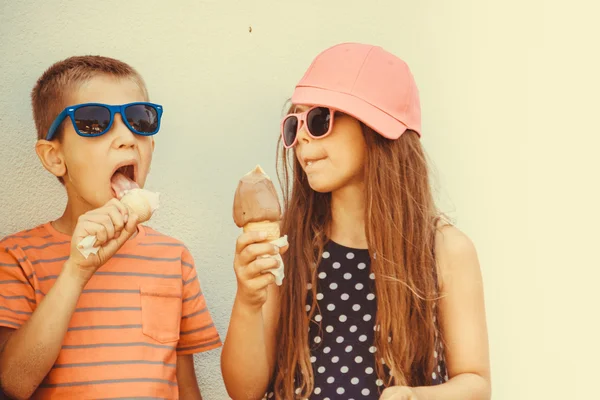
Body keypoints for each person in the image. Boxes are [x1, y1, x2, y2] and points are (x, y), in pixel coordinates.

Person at [221, 42, 491, 399]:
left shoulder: (445, 250)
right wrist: (248, 301)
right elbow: (244, 391)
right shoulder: (285, 245)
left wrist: (417, 396)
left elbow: (475, 382)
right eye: (293, 124)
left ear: (378, 129)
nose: (300, 137)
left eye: (319, 119)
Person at [0, 55, 221, 399]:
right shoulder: (17, 257)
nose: (127, 138)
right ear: (54, 157)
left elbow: (184, 385)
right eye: (94, 122)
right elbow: (13, 383)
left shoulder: (172, 258)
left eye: (139, 120)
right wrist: (76, 271)